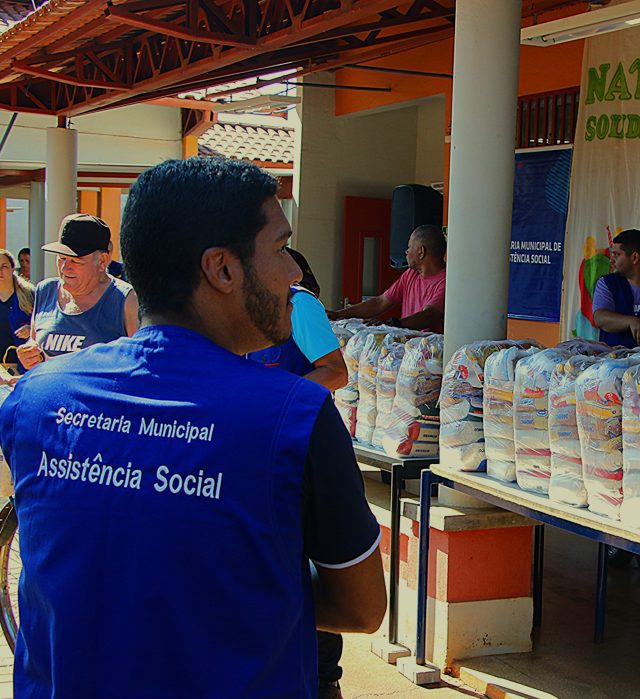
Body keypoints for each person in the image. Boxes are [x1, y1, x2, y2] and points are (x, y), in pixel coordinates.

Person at [0, 157, 387, 698]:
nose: (295, 273)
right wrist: (234, 582)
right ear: (222, 269)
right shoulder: (295, 416)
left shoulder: (36, 399)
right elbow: (362, 607)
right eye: (280, 249)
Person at [248, 246, 347, 699]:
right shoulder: (241, 307)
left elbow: (335, 372)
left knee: (312, 561)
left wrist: (277, 397)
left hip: (302, 448)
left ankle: (325, 679)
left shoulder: (299, 304)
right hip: (257, 449)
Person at [16, 214, 139, 371]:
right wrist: (30, 354)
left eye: (75, 261)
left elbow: (141, 365)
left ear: (102, 261)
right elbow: (35, 341)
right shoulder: (45, 291)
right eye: (61, 258)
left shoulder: (126, 300)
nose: (64, 268)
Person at [249, 247, 347, 392]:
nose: (297, 274)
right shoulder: (228, 309)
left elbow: (336, 373)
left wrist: (275, 400)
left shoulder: (299, 303)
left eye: (283, 248)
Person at [328, 224, 446, 332]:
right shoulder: (410, 274)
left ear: (421, 251)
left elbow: (430, 315)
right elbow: (380, 302)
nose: (406, 252)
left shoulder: (446, 281)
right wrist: (338, 314)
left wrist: (392, 324)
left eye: (409, 247)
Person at [0, 249, 34, 367]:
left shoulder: (30, 294)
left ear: (13, 269)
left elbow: (46, 324)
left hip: (25, 366)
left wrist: (31, 329)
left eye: (4, 266)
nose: (0, 271)